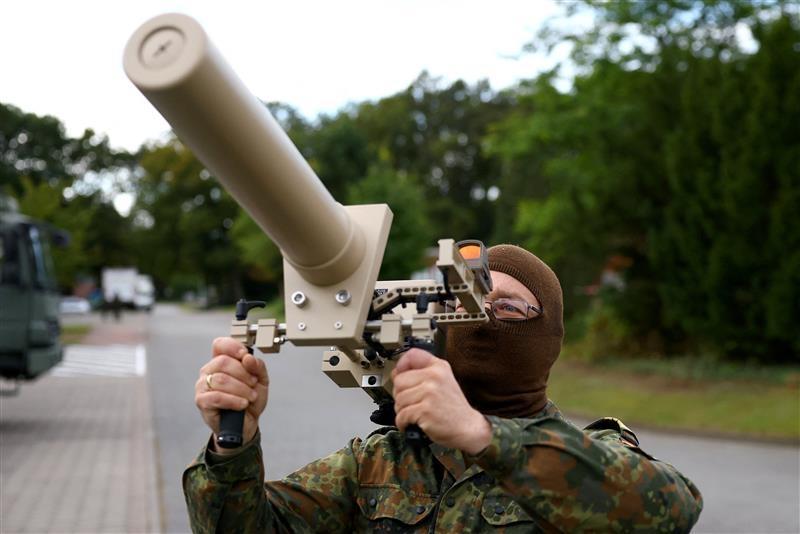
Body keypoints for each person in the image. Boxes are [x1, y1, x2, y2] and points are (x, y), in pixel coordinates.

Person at [183, 244, 703, 532]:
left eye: (506, 308)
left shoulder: (594, 454)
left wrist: (481, 433)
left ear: (545, 340)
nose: (481, 320)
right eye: (467, 304)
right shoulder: (376, 463)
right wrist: (236, 445)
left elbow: (671, 509)